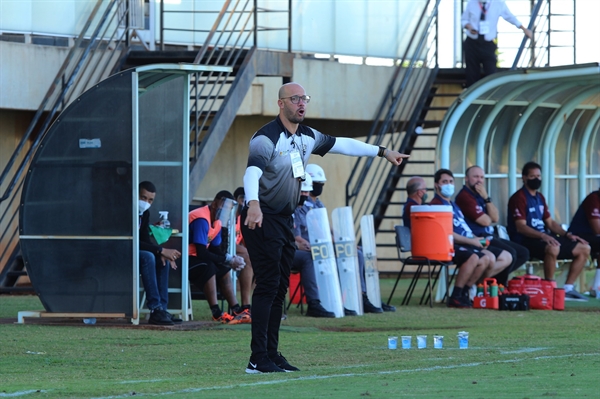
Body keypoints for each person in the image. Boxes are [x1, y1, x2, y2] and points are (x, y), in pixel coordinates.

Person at [242, 82, 409, 374]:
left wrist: (382, 152)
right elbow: (251, 172)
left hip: (283, 219)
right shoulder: (266, 138)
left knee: (279, 287)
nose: (301, 103)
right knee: (268, 285)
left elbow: (343, 143)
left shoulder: (308, 136)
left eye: (304, 98)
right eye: (295, 99)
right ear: (281, 104)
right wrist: (253, 204)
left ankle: (271, 353)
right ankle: (257, 358)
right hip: (262, 216)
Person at [304, 163, 394, 314]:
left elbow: (327, 226)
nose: (319, 187)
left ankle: (365, 297)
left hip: (324, 243)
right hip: (315, 245)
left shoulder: (317, 203)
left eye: (321, 184)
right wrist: (338, 242)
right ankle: (355, 298)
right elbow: (317, 229)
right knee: (354, 255)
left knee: (361, 253)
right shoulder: (302, 203)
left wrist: (343, 239)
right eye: (316, 184)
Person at [507, 161, 591, 301]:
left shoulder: (540, 197)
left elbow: (550, 222)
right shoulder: (519, 198)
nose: (537, 179)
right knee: (553, 248)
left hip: (544, 238)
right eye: (533, 176)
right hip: (526, 241)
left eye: (539, 176)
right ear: (524, 178)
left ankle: (568, 288)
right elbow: (520, 227)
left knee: (584, 248)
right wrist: (543, 235)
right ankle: (550, 287)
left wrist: (568, 235)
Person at [430, 169, 505, 308]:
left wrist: (478, 240)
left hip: (467, 241)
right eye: (444, 182)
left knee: (489, 257)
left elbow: (466, 229)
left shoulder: (454, 205)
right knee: (475, 258)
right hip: (448, 245)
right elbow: (447, 234)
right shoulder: (436, 204)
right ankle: (456, 295)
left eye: (451, 182)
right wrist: (473, 241)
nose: (449, 185)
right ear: (436, 185)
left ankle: (466, 291)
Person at [455, 165, 529, 286]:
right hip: (478, 238)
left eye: (481, 177)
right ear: (466, 179)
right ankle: (489, 285)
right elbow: (485, 221)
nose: (479, 180)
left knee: (523, 253)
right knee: (511, 254)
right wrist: (488, 216)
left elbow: (495, 218)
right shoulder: (464, 196)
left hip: (488, 235)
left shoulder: (481, 195)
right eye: (475, 177)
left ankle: (489, 282)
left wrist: (486, 198)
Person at [188, 190, 251, 323]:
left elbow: (215, 249)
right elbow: (201, 252)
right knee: (209, 266)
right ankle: (216, 312)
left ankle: (236, 309)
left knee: (223, 267)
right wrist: (227, 259)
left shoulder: (217, 222)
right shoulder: (201, 218)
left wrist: (230, 259)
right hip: (185, 258)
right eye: (223, 206)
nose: (224, 211)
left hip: (198, 256)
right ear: (215, 203)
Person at [291, 173, 336, 318]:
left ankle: (339, 301)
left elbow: (325, 229)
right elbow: (294, 235)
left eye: (306, 192)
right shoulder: (290, 207)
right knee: (308, 258)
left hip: (308, 247)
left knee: (344, 254)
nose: (305, 195)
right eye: (303, 192)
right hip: (288, 250)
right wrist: (299, 244)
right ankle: (314, 304)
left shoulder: (315, 205)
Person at [138, 181, 182, 325]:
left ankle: (162, 309)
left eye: (150, 200)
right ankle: (155, 308)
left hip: (136, 252)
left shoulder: (144, 213)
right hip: (121, 252)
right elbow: (131, 241)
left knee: (161, 261)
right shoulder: (126, 210)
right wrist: (160, 250)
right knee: (148, 256)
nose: (146, 203)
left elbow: (144, 240)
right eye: (143, 198)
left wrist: (161, 253)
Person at [461, 0, 532, 87]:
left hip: (488, 44)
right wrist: (469, 27)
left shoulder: (498, 3)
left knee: (491, 73)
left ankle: (490, 97)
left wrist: (524, 29)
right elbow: (464, 20)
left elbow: (509, 16)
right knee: (472, 74)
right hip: (472, 44)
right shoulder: (471, 3)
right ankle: (471, 98)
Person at [568, 189, 600, 297]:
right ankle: (597, 287)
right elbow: (597, 229)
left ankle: (597, 287)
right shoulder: (594, 198)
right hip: (579, 236)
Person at [231, 186, 254, 311]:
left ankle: (250, 305)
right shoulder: (225, 216)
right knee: (248, 256)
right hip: (220, 250)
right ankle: (243, 306)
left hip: (236, 252)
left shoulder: (243, 218)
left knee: (256, 259)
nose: (243, 202)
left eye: (246, 199)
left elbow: (246, 241)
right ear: (235, 200)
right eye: (241, 199)